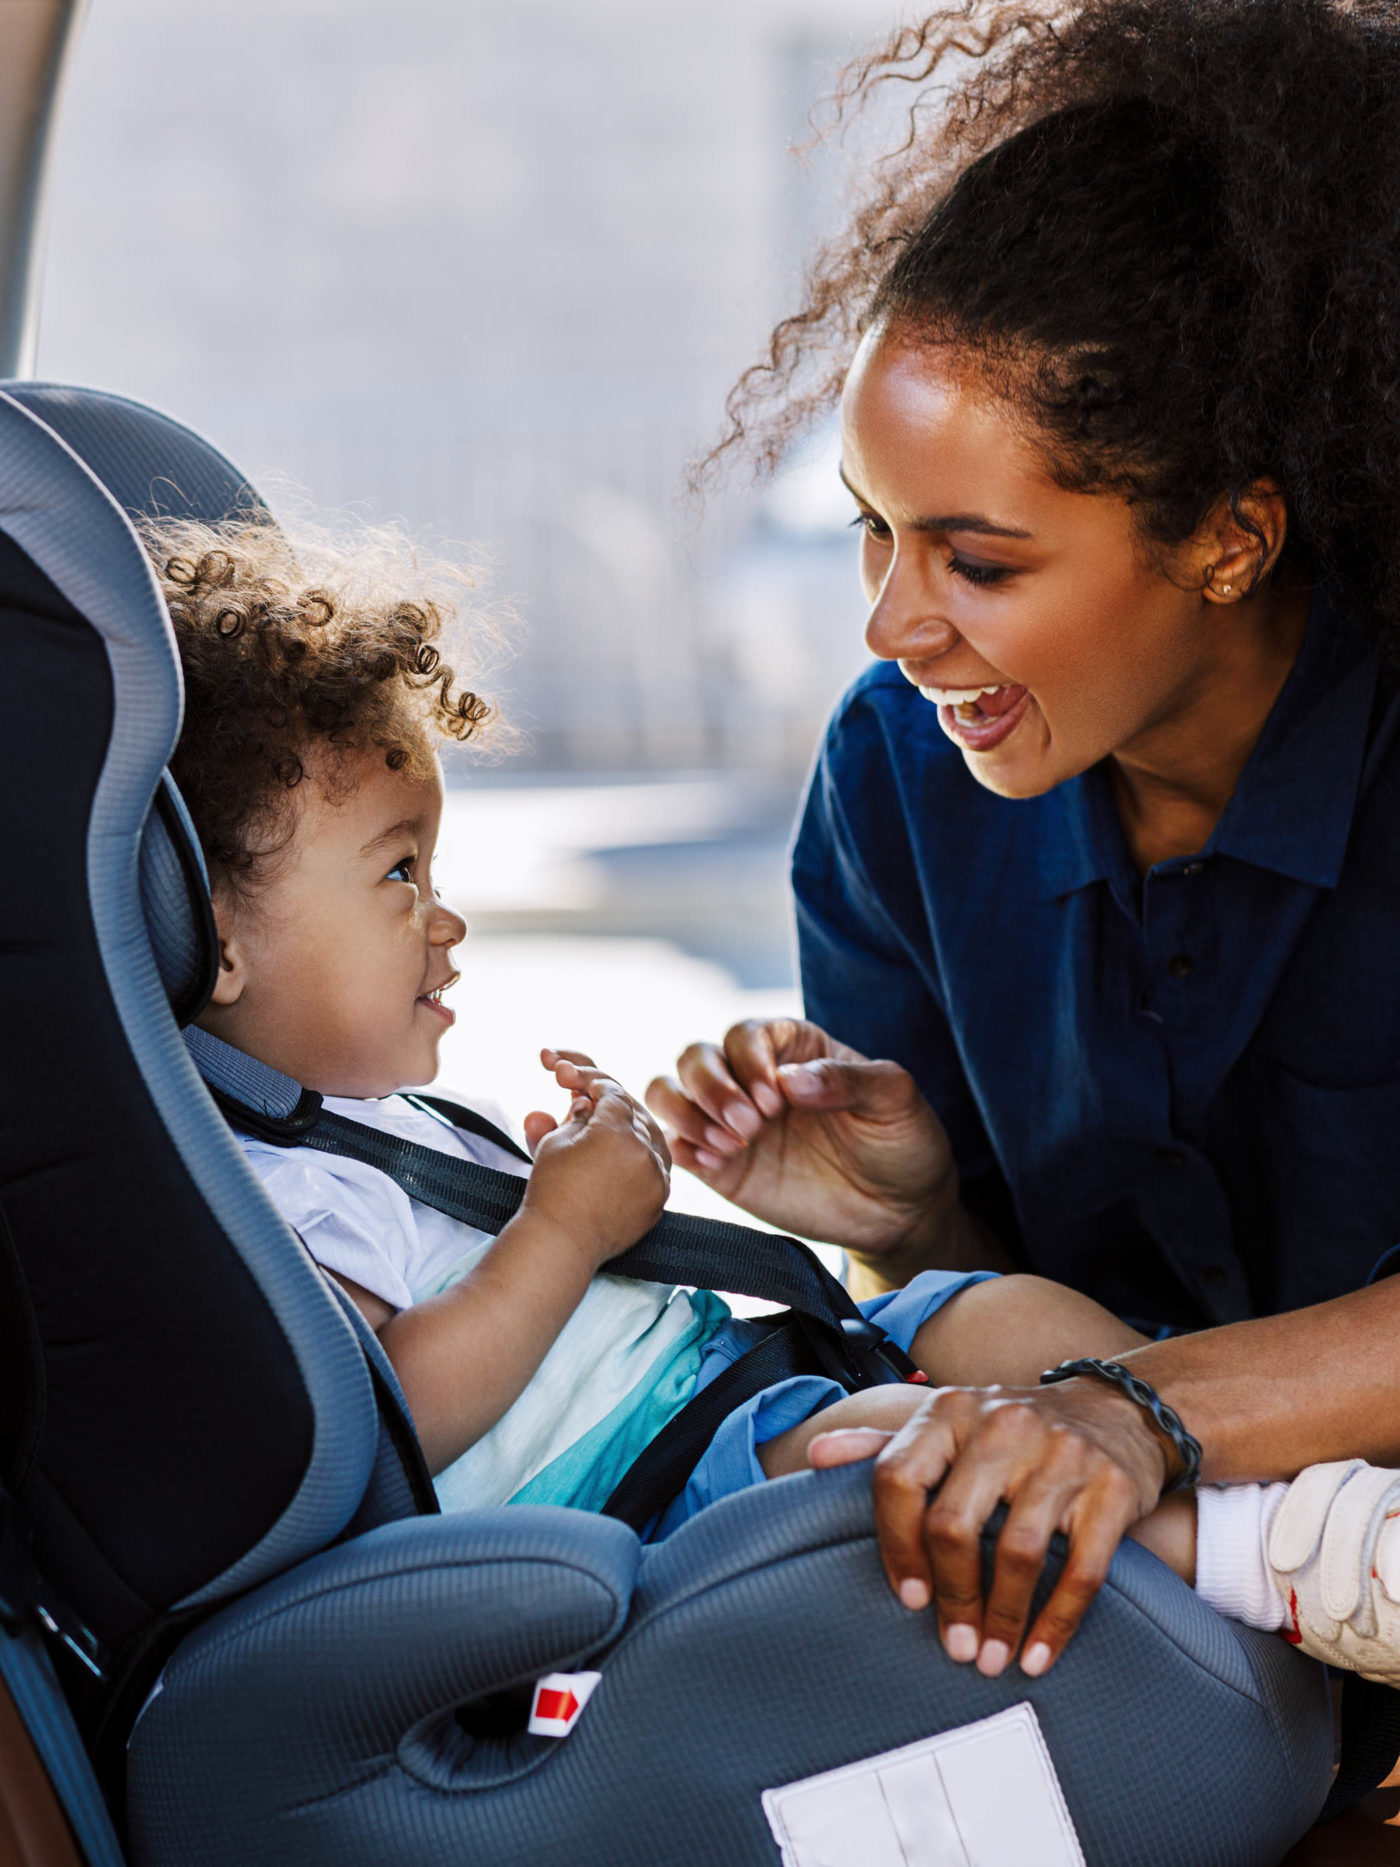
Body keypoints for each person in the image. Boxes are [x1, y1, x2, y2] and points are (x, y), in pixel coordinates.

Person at [150, 511, 1400, 1700]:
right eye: (398, 871)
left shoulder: (383, 1128)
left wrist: (567, 1198)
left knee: (993, 1315)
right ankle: (1283, 1562)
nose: (448, 914)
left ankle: (1291, 1490)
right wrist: (560, 1232)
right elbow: (386, 1417)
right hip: (645, 1493)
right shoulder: (273, 1191)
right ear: (213, 942)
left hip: (727, 1384)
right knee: (889, 1446)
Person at [649, 0, 1400, 1689]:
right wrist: (912, 1227)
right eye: (872, 535)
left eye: (977, 561)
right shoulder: (896, 789)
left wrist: (1135, 1412)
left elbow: (1108, 1403)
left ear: (1231, 536)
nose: (895, 626)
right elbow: (1017, 1354)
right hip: (1178, 1656)